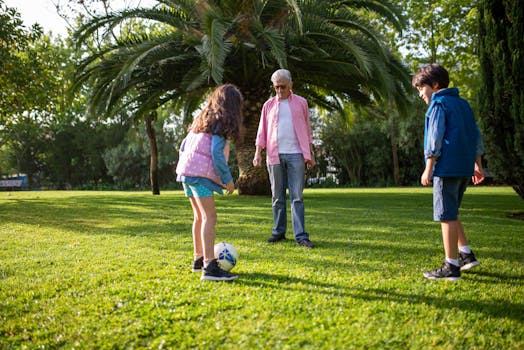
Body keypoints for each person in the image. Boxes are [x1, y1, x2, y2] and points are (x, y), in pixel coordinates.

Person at [412, 64, 485, 281]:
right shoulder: (463, 105)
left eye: (420, 88)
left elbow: (434, 138)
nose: (419, 94)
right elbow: (476, 135)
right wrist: (477, 164)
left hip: (446, 167)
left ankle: (451, 267)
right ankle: (466, 255)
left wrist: (428, 168)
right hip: (463, 167)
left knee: (445, 215)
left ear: (435, 86)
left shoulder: (438, 104)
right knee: (451, 211)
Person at [176, 84, 243, 281]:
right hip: (199, 176)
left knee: (198, 217)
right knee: (210, 218)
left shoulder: (202, 120)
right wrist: (228, 180)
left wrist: (185, 167)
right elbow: (216, 153)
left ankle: (198, 260)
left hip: (186, 173)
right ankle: (209, 267)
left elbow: (183, 146)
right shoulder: (220, 125)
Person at [253, 69, 316, 248]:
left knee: (297, 197)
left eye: (283, 86)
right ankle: (278, 232)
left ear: (291, 85)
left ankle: (301, 236)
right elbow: (261, 131)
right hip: (274, 155)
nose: (279, 90)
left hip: (296, 154)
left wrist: (309, 154)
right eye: (276, 87)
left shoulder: (301, 103)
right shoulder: (268, 105)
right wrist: (258, 153)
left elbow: (307, 130)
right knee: (277, 197)